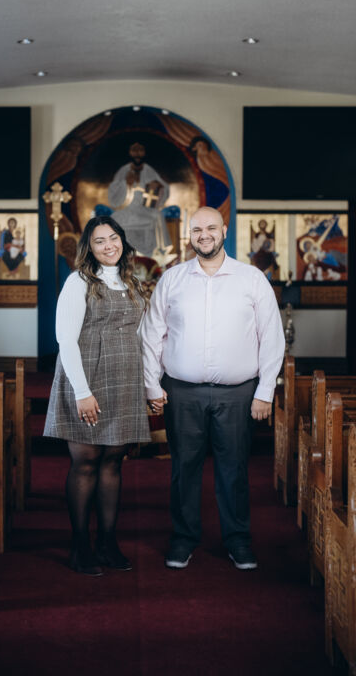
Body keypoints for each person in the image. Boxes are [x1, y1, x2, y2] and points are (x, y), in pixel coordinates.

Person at [141, 206, 285, 571]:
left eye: (211, 228)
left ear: (224, 231)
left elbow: (272, 336)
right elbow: (152, 335)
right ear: (189, 235)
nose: (204, 235)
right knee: (183, 468)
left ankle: (238, 540)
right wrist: (151, 384)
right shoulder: (172, 279)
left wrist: (265, 391)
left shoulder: (251, 279)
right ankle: (183, 538)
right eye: (197, 230)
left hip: (237, 393)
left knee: (233, 469)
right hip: (181, 391)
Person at [43, 215, 151, 576]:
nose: (108, 246)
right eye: (99, 241)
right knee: (86, 462)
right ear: (89, 248)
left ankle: (107, 541)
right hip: (86, 376)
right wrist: (82, 391)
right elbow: (65, 340)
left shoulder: (133, 282)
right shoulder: (79, 281)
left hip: (124, 378)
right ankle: (80, 545)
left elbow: (142, 335)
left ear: (123, 241)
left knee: (113, 462)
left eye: (113, 238)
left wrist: (150, 384)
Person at [108, 142, 171, 257]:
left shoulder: (149, 170)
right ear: (129, 153)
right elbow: (113, 192)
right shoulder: (123, 170)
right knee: (114, 219)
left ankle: (154, 255)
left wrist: (157, 186)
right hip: (127, 208)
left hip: (145, 209)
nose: (137, 154)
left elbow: (164, 187)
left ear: (145, 153)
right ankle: (121, 255)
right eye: (134, 150)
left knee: (158, 216)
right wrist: (125, 183)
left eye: (140, 150)